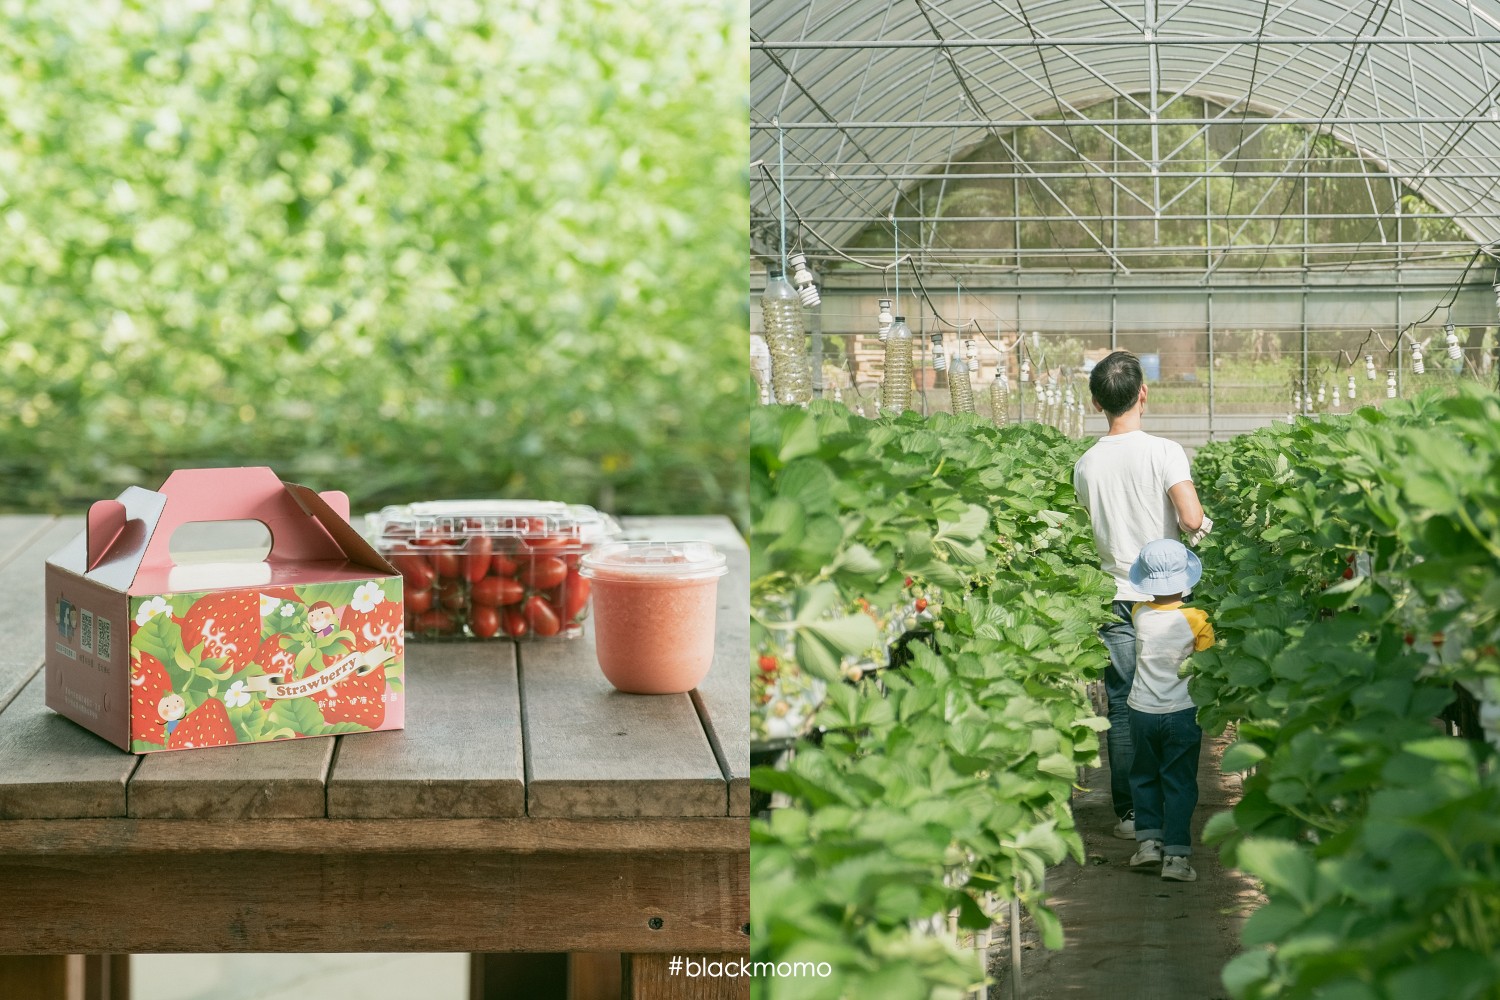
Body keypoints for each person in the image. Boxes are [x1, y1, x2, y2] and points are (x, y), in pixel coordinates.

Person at [1073, 351, 1210, 840]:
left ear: (1096, 402)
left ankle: (1132, 815)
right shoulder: (1164, 451)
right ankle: (1169, 816)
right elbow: (1191, 518)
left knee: (1125, 705)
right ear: (1143, 393)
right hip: (1166, 597)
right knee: (1171, 702)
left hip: (1114, 593)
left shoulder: (1086, 465)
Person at [1123, 538, 1215, 882]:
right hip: (1182, 710)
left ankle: (1147, 843)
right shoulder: (1197, 619)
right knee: (1179, 781)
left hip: (1141, 710)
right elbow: (1208, 660)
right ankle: (1176, 858)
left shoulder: (1138, 613)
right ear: (1186, 579)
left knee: (1144, 775)